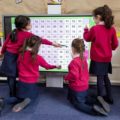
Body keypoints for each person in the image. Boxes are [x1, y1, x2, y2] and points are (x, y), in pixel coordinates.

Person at [0, 15, 61, 97]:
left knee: (11, 76)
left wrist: (2, 52)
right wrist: (53, 43)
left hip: (9, 56)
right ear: (24, 26)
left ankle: (13, 93)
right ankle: (16, 94)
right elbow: (40, 40)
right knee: (15, 75)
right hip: (14, 56)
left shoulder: (13, 31)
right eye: (29, 24)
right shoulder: (27, 34)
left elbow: (5, 44)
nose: (31, 25)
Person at [0, 35, 61, 113]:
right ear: (37, 47)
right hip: (31, 83)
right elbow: (47, 66)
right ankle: (24, 101)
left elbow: (18, 65)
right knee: (33, 97)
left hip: (21, 81)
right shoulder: (38, 57)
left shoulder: (21, 54)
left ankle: (3, 100)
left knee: (19, 97)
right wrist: (56, 66)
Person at [64, 38, 110, 116]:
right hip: (84, 86)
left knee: (78, 104)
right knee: (84, 98)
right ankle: (97, 101)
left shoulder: (74, 62)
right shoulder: (83, 59)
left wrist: (66, 78)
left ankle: (94, 111)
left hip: (77, 87)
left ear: (73, 49)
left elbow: (74, 75)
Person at [83, 5, 118, 104]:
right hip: (107, 58)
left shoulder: (95, 29)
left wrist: (86, 30)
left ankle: (100, 99)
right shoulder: (112, 29)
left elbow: (87, 38)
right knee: (105, 76)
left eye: (94, 17)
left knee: (100, 77)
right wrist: (109, 48)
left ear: (98, 17)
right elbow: (115, 44)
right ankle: (110, 97)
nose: (93, 20)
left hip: (97, 58)